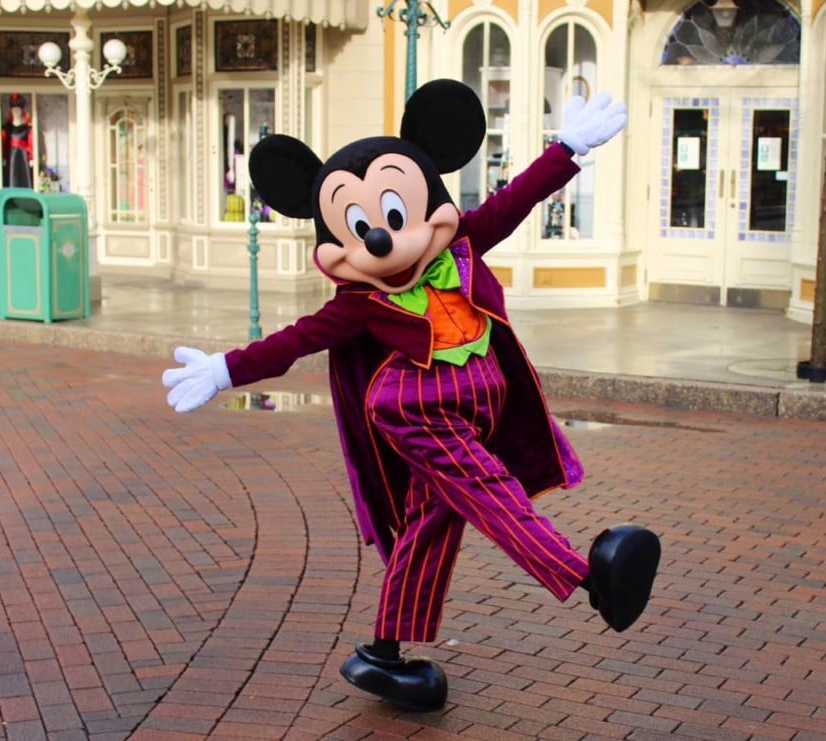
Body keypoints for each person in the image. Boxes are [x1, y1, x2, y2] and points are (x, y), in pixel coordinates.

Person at [162, 80, 661, 712]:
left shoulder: (462, 246)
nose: (381, 240)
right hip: (416, 406)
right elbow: (296, 340)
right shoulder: (359, 301)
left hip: (474, 403)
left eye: (394, 216)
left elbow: (514, 200)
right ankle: (589, 579)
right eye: (360, 228)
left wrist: (564, 150)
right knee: (488, 489)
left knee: (431, 522)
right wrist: (226, 369)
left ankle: (382, 653)